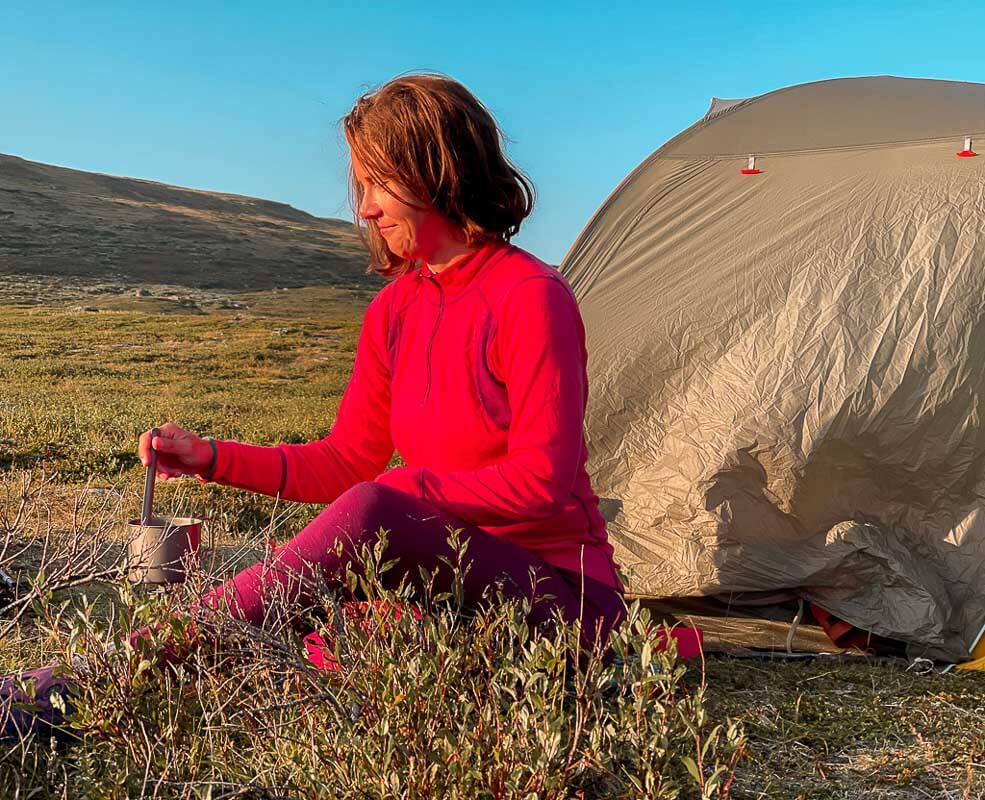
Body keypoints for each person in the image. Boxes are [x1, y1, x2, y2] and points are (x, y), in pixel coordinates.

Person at [1, 73, 625, 743]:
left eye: (379, 183)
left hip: (560, 601)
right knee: (331, 600)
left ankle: (89, 681)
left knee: (371, 516)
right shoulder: (396, 308)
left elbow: (541, 483)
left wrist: (401, 494)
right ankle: (106, 697)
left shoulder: (530, 295)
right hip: (445, 590)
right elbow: (341, 462)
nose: (364, 210)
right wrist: (209, 457)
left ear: (439, 172)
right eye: (361, 187)